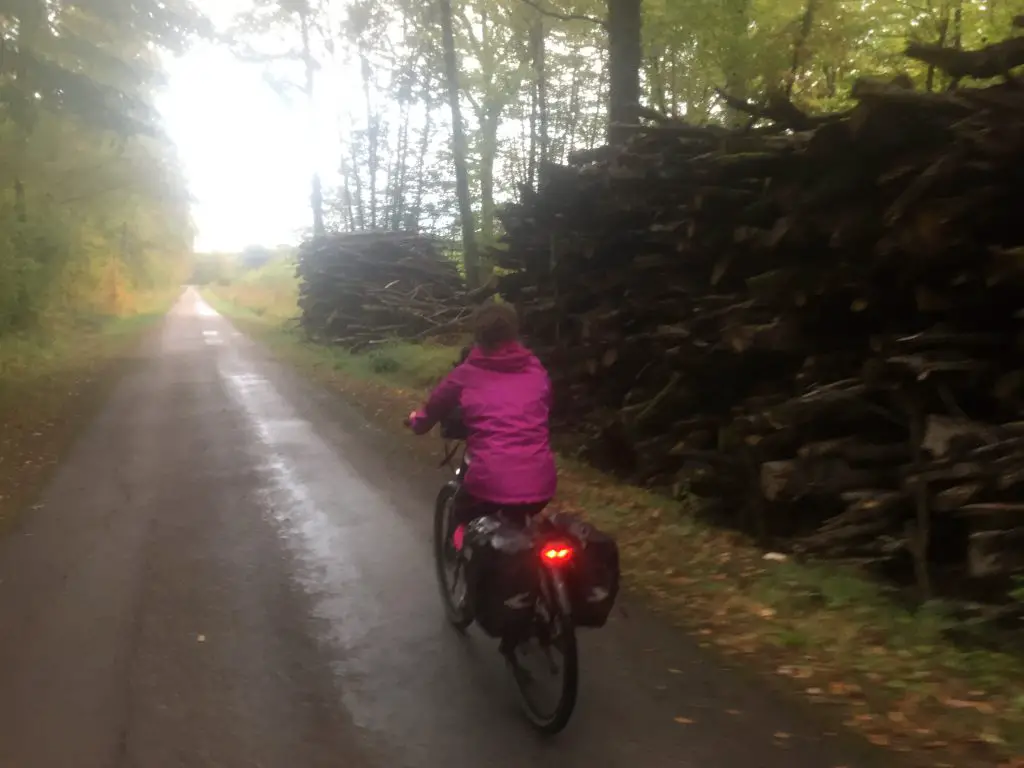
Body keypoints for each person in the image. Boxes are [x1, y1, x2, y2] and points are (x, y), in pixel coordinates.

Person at [405, 301, 557, 544]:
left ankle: (457, 549)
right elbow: (546, 403)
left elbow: (434, 407)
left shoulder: (466, 373)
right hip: (542, 483)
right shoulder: (535, 369)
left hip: (489, 483)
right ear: (514, 332)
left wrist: (418, 423)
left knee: (462, 511)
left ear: (478, 336)